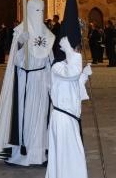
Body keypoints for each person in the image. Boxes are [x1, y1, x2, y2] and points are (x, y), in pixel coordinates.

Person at [0, 0, 54, 166]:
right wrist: (20, 45)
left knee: (40, 117)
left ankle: (38, 154)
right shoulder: (20, 32)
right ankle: (20, 153)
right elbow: (14, 63)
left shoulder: (47, 33)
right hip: (25, 81)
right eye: (36, 11)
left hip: (41, 81)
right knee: (24, 116)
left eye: (42, 11)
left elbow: (50, 60)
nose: (39, 14)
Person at [46, 37, 92, 178]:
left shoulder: (67, 67)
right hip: (62, 119)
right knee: (69, 154)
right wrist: (71, 52)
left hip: (69, 119)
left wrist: (84, 75)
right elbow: (71, 74)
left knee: (71, 154)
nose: (78, 53)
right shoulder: (57, 67)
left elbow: (74, 87)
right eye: (76, 50)